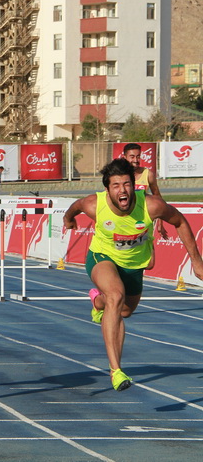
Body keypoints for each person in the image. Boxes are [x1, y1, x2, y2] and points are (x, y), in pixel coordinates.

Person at [63, 158, 203, 391]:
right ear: (107, 189)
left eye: (127, 184)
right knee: (116, 296)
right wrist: (68, 219)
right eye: (116, 186)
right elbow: (75, 206)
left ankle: (98, 301)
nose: (123, 190)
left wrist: (197, 262)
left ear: (134, 185)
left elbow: (180, 222)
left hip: (134, 265)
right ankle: (116, 370)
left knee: (124, 311)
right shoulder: (93, 204)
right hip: (101, 258)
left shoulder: (151, 206)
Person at [121, 143, 167, 240]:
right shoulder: (118, 174)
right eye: (132, 157)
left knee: (148, 249)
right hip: (123, 220)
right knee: (123, 251)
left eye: (138, 157)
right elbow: (107, 197)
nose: (136, 160)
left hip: (142, 220)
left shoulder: (148, 174)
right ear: (124, 157)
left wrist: (160, 222)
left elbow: (158, 198)